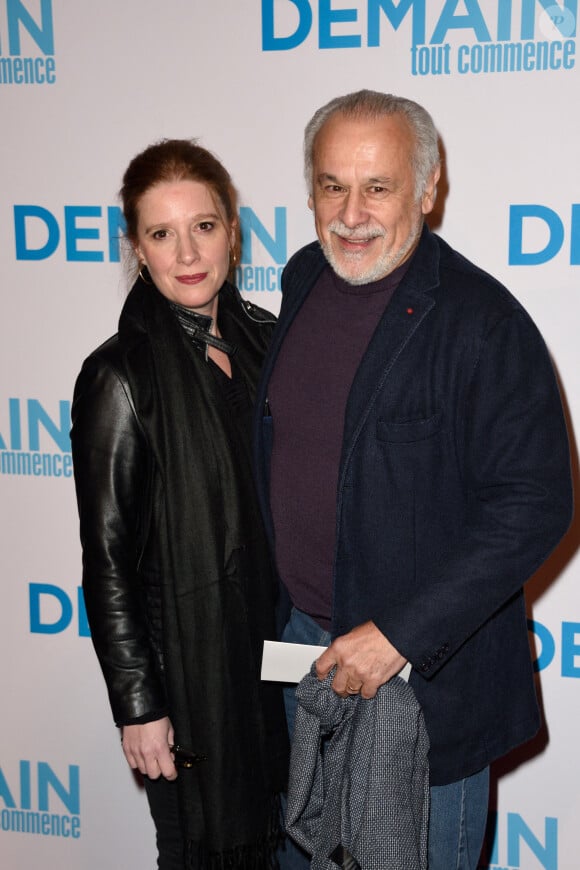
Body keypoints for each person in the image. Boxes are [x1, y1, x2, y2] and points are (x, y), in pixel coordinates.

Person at [253, 90, 573, 870]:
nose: (351, 212)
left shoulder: (483, 323)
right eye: (332, 185)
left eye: (378, 187)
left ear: (427, 191)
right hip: (305, 654)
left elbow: (536, 501)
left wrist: (399, 636)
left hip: (423, 681)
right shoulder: (302, 279)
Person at [71, 139, 288, 869]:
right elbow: (107, 561)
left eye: (204, 226)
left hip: (282, 670)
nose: (187, 252)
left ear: (234, 230)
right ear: (137, 246)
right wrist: (139, 704)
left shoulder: (271, 342)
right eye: (162, 233)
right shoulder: (119, 376)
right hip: (190, 687)